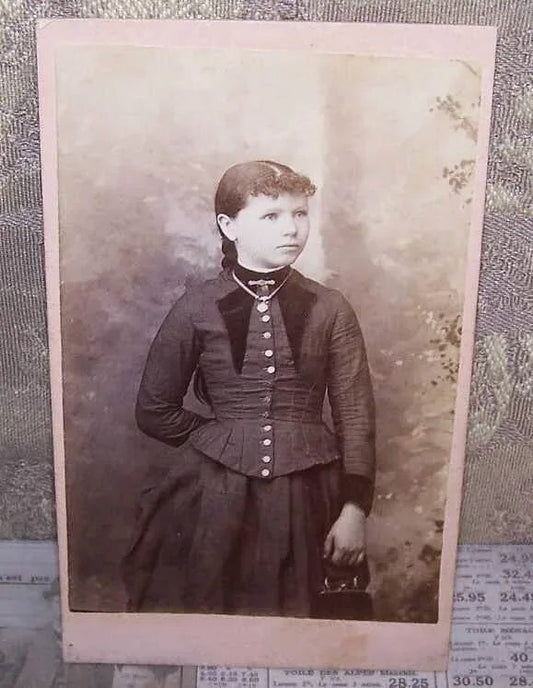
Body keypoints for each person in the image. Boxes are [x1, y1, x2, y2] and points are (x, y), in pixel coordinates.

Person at [121, 160, 376, 617]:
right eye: (272, 216)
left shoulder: (331, 308)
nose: (292, 229)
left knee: (305, 622)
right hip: (214, 499)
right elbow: (154, 409)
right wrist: (224, 437)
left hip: (310, 495)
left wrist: (355, 510)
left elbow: (355, 418)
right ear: (229, 225)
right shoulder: (197, 306)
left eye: (300, 214)